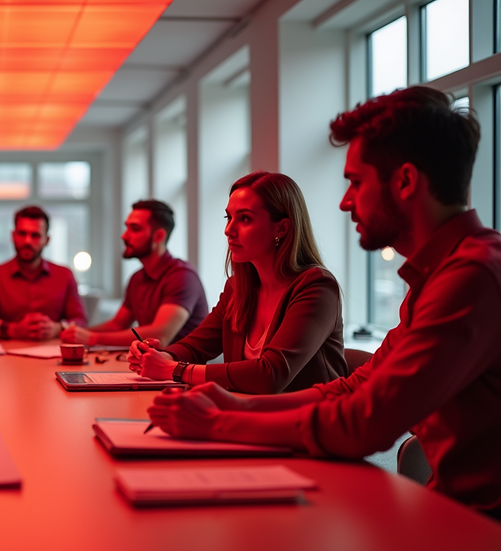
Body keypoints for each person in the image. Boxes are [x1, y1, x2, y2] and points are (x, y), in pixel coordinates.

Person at [145, 87, 500, 519]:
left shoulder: (472, 277)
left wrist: (218, 422)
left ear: (405, 181)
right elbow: (354, 387)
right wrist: (235, 403)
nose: (345, 201)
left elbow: (365, 423)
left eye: (355, 182)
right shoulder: (435, 277)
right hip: (451, 509)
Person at [128, 172, 348, 394]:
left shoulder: (317, 287)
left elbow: (270, 375)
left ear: (281, 228)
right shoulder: (237, 288)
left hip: (306, 423)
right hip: (247, 414)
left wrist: (175, 369)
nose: (228, 230)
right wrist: (161, 356)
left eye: (245, 219)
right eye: (228, 218)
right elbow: (194, 346)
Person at [62, 200, 208, 347]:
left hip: (180, 368)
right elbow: (117, 325)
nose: (124, 236)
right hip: (150, 365)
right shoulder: (137, 278)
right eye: (126, 228)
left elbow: (160, 336)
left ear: (158, 236)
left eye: (135, 229)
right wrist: (76, 334)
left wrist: (93, 338)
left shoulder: (182, 277)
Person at [0, 205, 87, 341]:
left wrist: (58, 328)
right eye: (22, 234)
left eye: (35, 235)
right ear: (13, 236)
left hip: (53, 356)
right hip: (4, 358)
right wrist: (11, 330)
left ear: (47, 240)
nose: (27, 241)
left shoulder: (65, 276)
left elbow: (80, 320)